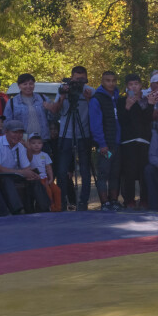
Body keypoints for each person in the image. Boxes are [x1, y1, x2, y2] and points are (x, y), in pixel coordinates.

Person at [53, 66, 96, 211]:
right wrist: (62, 96)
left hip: (84, 134)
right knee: (62, 170)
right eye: (77, 79)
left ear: (87, 78)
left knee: (85, 169)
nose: (79, 83)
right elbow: (56, 110)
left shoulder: (90, 91)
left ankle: (83, 202)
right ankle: (61, 202)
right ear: (71, 78)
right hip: (66, 134)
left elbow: (95, 113)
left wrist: (89, 99)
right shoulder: (63, 89)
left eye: (82, 79)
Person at [0, 119, 50, 213]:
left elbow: (26, 168)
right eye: (15, 132)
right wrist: (22, 172)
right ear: (6, 132)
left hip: (14, 174)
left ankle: (45, 209)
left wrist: (31, 174)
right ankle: (18, 211)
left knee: (34, 178)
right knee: (7, 180)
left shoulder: (20, 146)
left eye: (20, 133)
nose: (18, 135)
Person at [119, 74, 156, 209]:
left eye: (136, 84)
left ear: (141, 86)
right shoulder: (121, 101)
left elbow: (147, 120)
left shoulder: (145, 101)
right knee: (129, 172)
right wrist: (127, 107)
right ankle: (129, 200)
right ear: (127, 87)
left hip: (144, 141)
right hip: (128, 141)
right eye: (130, 84)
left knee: (144, 172)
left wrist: (150, 105)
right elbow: (122, 121)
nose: (133, 87)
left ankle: (144, 200)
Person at [88, 71, 122, 211]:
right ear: (102, 81)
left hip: (117, 143)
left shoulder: (117, 97)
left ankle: (114, 200)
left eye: (113, 80)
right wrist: (101, 144)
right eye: (108, 80)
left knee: (115, 174)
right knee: (103, 174)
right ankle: (104, 202)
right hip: (105, 145)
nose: (111, 83)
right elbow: (95, 124)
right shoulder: (97, 99)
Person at [5, 73, 58, 139]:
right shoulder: (12, 102)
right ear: (19, 86)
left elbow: (54, 118)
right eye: (25, 84)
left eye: (31, 84)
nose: (28, 86)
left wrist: (51, 109)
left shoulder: (43, 98)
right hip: (21, 140)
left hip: (42, 140)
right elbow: (7, 123)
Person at [26, 133, 59, 211]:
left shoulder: (45, 155)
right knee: (48, 191)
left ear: (42, 144)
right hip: (36, 179)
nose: (36, 145)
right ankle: (49, 208)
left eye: (39, 143)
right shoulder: (27, 155)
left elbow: (48, 168)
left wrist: (51, 178)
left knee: (57, 190)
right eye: (33, 143)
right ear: (29, 144)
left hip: (45, 178)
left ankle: (58, 208)